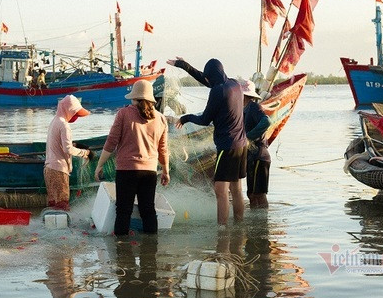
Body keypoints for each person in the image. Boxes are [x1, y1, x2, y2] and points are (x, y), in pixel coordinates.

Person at [167, 57, 247, 226]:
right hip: (241, 144)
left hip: (227, 147)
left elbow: (204, 119)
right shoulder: (234, 85)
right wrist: (184, 65)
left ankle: (222, 230)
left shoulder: (218, 91)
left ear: (212, 76)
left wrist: (186, 118)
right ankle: (239, 225)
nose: (207, 80)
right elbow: (207, 79)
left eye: (208, 77)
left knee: (221, 191)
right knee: (237, 189)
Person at [94, 79, 170, 235]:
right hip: (149, 172)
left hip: (126, 171)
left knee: (123, 211)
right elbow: (163, 150)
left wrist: (99, 165)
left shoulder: (124, 113)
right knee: (148, 211)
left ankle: (122, 251)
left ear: (134, 97)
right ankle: (150, 251)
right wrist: (166, 171)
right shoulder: (161, 119)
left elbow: (111, 142)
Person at [44, 95, 91, 211]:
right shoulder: (64, 125)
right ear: (69, 111)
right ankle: (61, 229)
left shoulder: (54, 121)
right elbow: (68, 149)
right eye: (75, 113)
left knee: (53, 204)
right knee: (62, 205)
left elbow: (59, 143)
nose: (76, 117)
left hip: (48, 169)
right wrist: (85, 153)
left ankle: (51, 228)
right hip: (59, 170)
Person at [241, 79, 271, 208]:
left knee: (258, 194)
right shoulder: (244, 109)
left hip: (259, 155)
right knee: (251, 194)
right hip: (251, 157)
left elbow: (266, 121)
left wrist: (248, 137)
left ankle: (263, 224)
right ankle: (256, 223)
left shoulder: (253, 107)